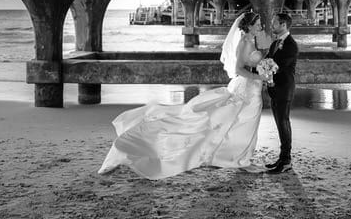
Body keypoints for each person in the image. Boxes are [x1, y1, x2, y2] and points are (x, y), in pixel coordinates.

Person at [98, 12, 268, 180]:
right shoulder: (244, 42)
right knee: (238, 121)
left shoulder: (252, 40)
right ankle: (241, 159)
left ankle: (238, 157)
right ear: (250, 25)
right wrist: (260, 76)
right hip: (247, 88)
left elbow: (250, 63)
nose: (261, 26)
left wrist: (265, 68)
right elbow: (239, 69)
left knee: (241, 123)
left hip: (252, 86)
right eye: (258, 23)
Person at [265, 13, 299, 174]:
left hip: (284, 88)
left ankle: (286, 161)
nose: (271, 25)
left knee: (283, 122)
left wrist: (266, 72)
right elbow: (267, 61)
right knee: (280, 124)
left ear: (283, 24)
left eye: (274, 23)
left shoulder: (291, 45)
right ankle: (282, 158)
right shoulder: (276, 43)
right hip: (274, 89)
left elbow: (280, 66)